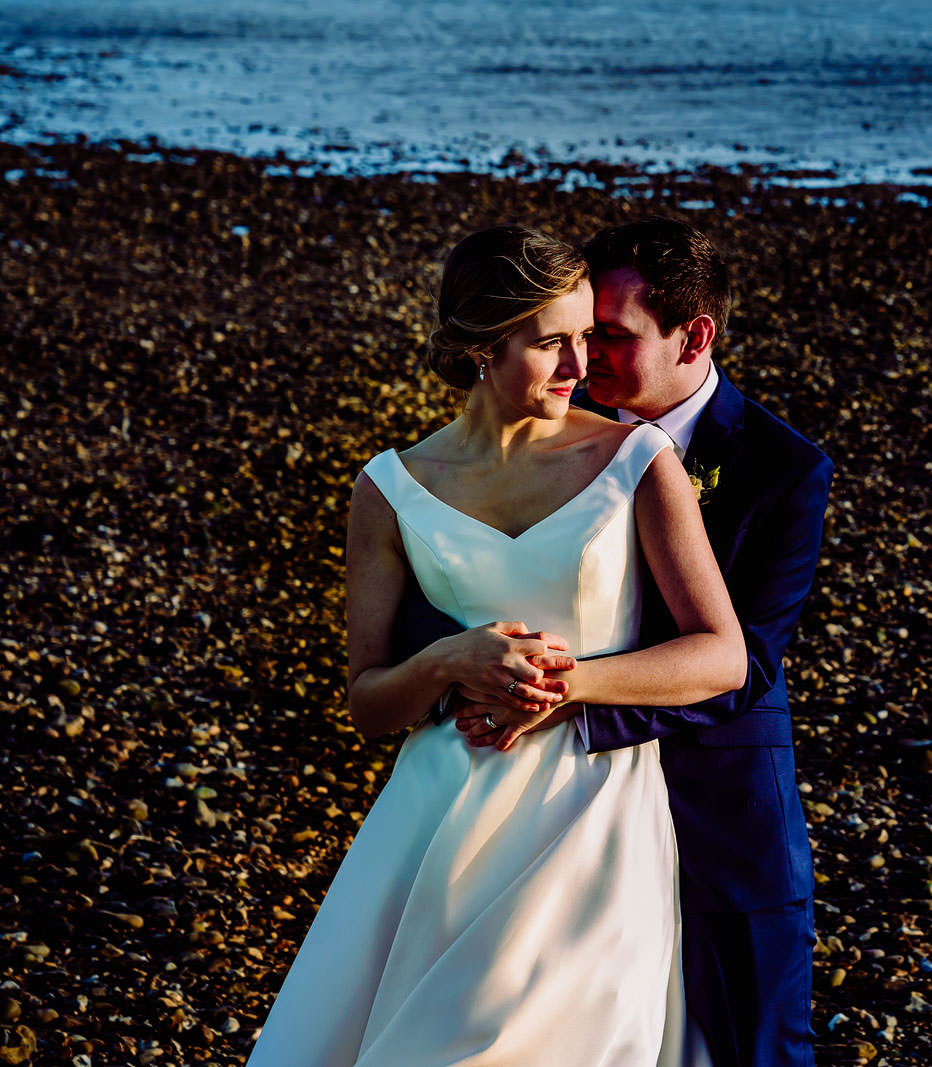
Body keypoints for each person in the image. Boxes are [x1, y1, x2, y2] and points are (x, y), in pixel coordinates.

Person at [248, 226, 745, 1066]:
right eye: (554, 342)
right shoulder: (391, 488)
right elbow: (368, 701)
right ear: (483, 344)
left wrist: (573, 683)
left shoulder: (636, 461)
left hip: (590, 817)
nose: (580, 366)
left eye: (587, 337)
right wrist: (450, 661)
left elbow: (721, 653)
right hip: (441, 820)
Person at [396, 217, 832, 1067]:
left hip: (717, 819)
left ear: (694, 335)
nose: (584, 358)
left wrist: (556, 700)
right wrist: (468, 670)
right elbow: (452, 566)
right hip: (554, 819)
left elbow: (742, 669)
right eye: (579, 333)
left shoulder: (785, 470)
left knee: (757, 1051)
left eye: (611, 338)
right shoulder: (556, 428)